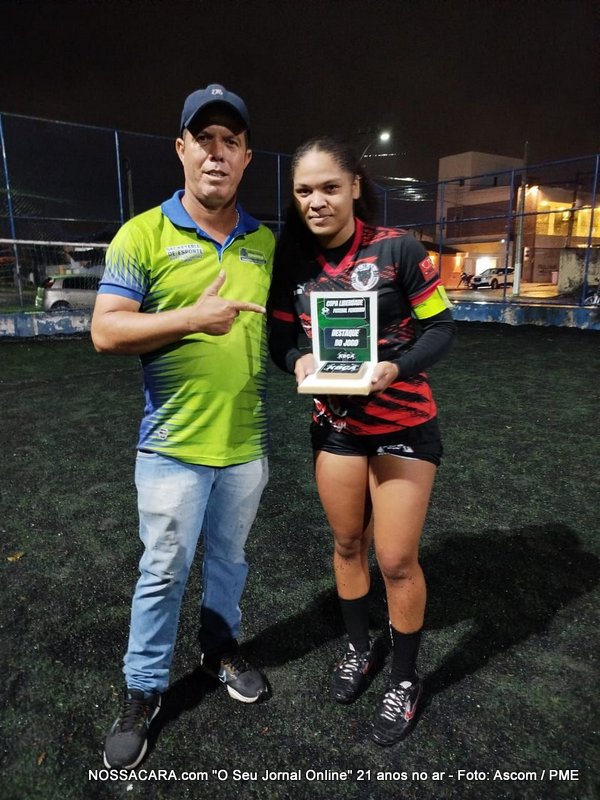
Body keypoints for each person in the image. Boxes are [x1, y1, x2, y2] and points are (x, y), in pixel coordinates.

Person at [91, 84, 275, 769]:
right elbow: (106, 331)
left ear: (247, 157)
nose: (217, 153)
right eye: (205, 140)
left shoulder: (264, 243)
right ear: (181, 149)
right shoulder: (143, 234)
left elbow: (289, 329)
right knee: (163, 570)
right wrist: (192, 318)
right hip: (172, 447)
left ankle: (219, 650)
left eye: (231, 142)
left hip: (245, 446)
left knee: (230, 561)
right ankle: (142, 690)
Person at [268, 136, 456, 746]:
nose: (316, 201)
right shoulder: (292, 261)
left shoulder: (398, 248)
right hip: (337, 429)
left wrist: (395, 368)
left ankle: (404, 678)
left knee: (396, 560)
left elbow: (441, 326)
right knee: (349, 543)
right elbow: (280, 341)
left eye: (329, 187)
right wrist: (297, 361)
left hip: (403, 425)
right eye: (304, 191)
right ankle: (359, 647)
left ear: (353, 186)